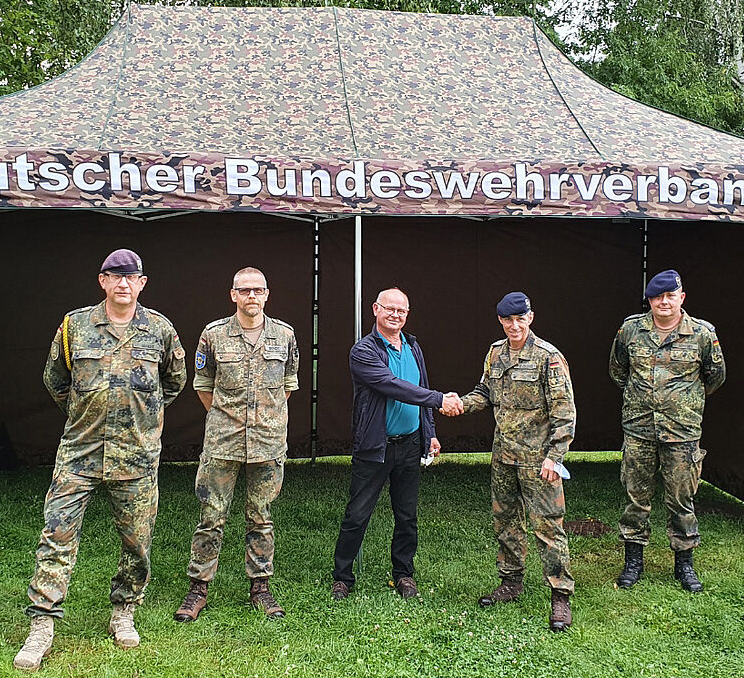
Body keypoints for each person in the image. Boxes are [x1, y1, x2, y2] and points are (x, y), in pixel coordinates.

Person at [14, 249, 187, 672]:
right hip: (79, 453)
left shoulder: (160, 330)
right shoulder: (74, 327)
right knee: (56, 537)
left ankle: (124, 611)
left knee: (137, 543)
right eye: (115, 276)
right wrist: (86, 413)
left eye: (131, 277)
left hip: (137, 456)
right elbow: (56, 380)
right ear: (102, 281)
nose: (123, 284)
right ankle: (42, 624)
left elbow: (174, 382)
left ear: (142, 283)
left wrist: (138, 419)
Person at [174, 267, 299, 622]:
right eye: (244, 291)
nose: (251, 297)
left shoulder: (284, 335)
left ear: (267, 294)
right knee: (211, 516)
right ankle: (198, 588)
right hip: (223, 442)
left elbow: (288, 384)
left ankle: (260, 587)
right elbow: (202, 383)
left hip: (267, 442)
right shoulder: (214, 335)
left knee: (261, 518)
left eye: (257, 290)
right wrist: (228, 418)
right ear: (233, 295)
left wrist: (265, 418)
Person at [457, 293, 577, 631]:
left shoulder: (548, 358)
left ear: (531, 318)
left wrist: (555, 457)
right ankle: (511, 582)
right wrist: (459, 404)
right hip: (504, 457)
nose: (514, 325)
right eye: (508, 320)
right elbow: (485, 393)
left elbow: (564, 412)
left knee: (548, 527)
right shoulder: (496, 353)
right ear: (500, 321)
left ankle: (560, 595)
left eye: (520, 319)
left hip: (539, 460)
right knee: (505, 522)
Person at [330, 287, 458, 601]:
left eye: (402, 310)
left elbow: (420, 388)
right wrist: (440, 399)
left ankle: (404, 575)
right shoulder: (363, 351)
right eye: (390, 309)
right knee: (357, 515)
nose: (396, 315)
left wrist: (430, 432)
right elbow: (392, 386)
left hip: (410, 445)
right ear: (375, 309)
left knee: (407, 515)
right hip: (375, 447)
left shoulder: (414, 346)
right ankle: (342, 578)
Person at [609, 270, 725, 592]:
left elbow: (715, 376)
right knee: (636, 498)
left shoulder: (703, 334)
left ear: (681, 298)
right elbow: (618, 371)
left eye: (670, 296)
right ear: (649, 299)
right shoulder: (631, 330)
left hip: (682, 432)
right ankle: (633, 561)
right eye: (657, 297)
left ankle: (684, 564)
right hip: (639, 429)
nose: (663, 302)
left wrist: (683, 403)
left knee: (682, 499)